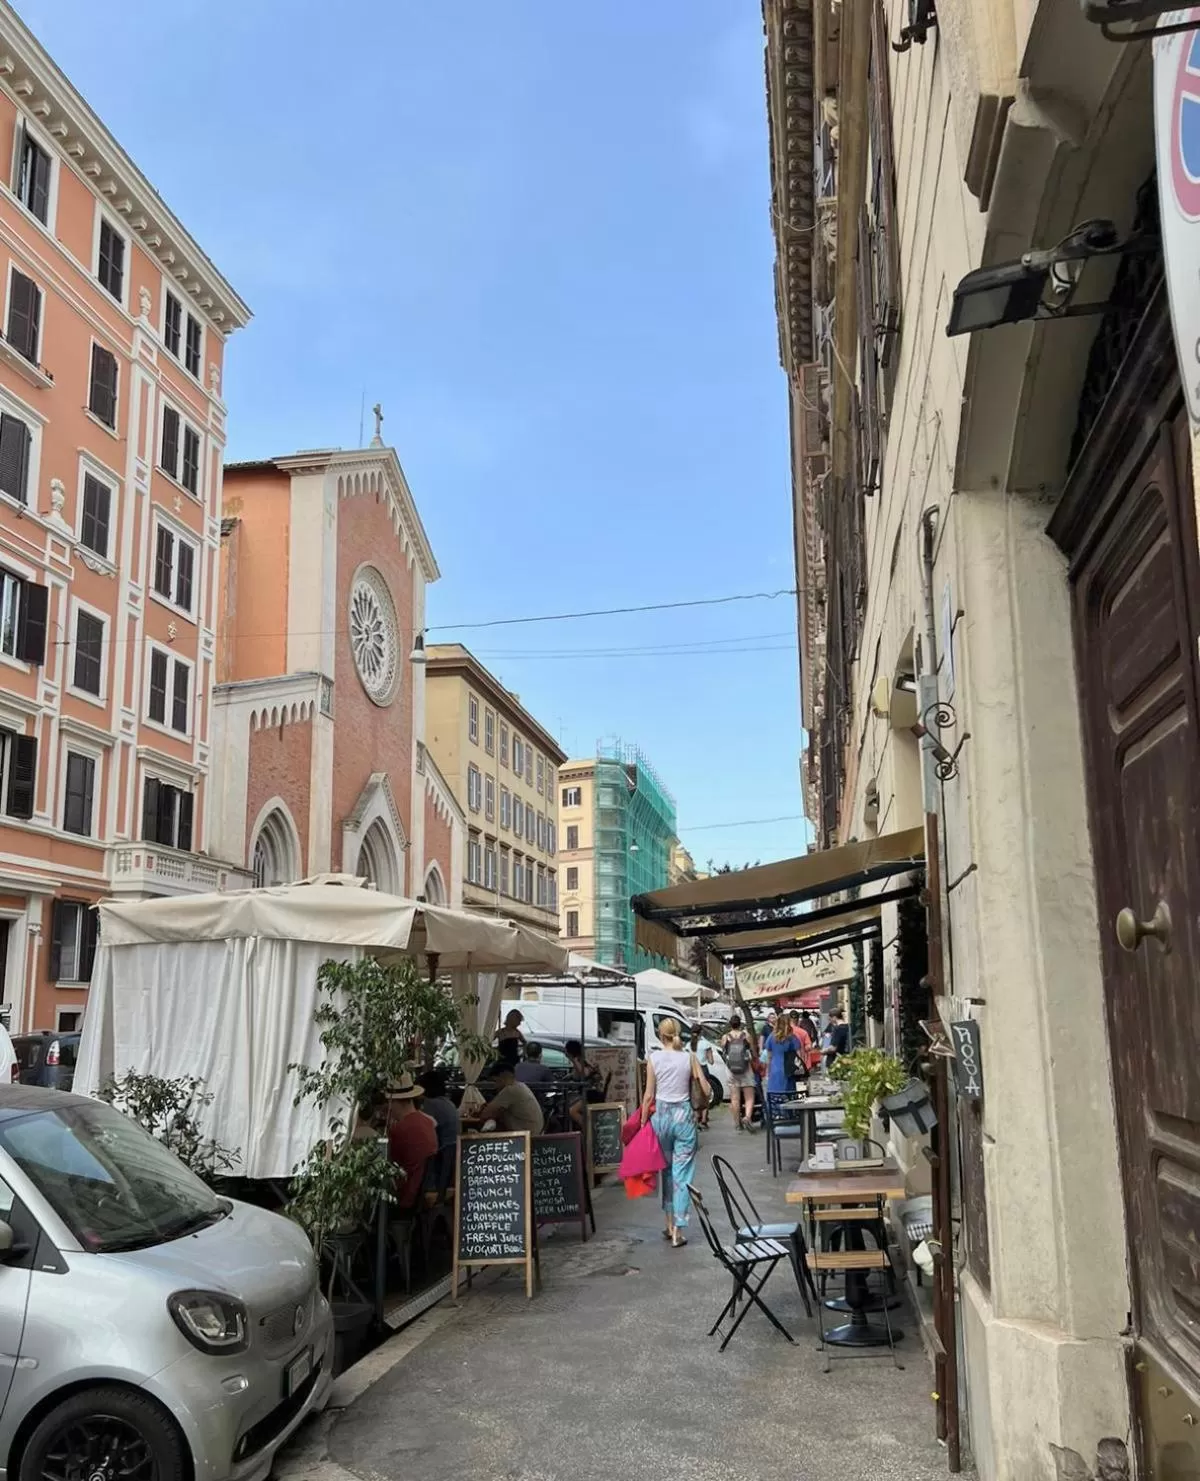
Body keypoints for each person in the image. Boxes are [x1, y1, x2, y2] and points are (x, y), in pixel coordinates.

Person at [638, 1017, 709, 1247]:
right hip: (684, 1118)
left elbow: (648, 1095)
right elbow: (706, 1090)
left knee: (667, 1172)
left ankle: (668, 1224)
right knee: (682, 1174)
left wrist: (641, 1123)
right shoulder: (689, 1057)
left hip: (661, 1118)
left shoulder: (653, 1058)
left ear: (660, 1034)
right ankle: (679, 1229)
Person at [385, 1072, 439, 1212]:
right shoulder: (428, 1122)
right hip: (423, 1190)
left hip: (407, 1194)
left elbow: (390, 1163)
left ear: (395, 1102)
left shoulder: (399, 1129)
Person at [475, 1060, 545, 1135]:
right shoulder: (521, 1086)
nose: (495, 1086)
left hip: (525, 1137)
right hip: (535, 1133)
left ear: (502, 1077)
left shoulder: (510, 1090)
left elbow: (485, 1115)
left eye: (495, 1081)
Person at [720, 1014, 757, 1132]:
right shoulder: (746, 1035)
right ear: (740, 1024)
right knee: (749, 1097)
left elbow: (724, 1052)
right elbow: (752, 1051)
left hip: (731, 1071)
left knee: (735, 1098)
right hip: (746, 1068)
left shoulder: (725, 1037)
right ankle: (747, 1117)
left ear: (730, 1024)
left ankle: (737, 1124)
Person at [417, 1067, 458, 1152]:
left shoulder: (430, 1104)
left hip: (441, 1153)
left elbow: (423, 1129)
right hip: (452, 1150)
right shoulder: (449, 1103)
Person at [565, 1038, 603, 1127]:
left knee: (572, 1111)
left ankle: (587, 1128)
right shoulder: (579, 1060)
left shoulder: (579, 1060)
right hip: (587, 1093)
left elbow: (584, 1073)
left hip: (591, 1094)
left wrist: (574, 1060)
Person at [763, 1015, 802, 1100]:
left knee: (775, 1094)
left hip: (774, 1068)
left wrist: (768, 1071)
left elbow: (769, 1057)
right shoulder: (792, 1038)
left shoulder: (771, 1037)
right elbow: (799, 1056)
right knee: (789, 1096)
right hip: (788, 1069)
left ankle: (776, 1112)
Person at [688, 1024, 713, 1129]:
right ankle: (703, 1119)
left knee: (694, 1093)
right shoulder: (705, 1044)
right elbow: (711, 1061)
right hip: (703, 1069)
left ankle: (696, 1117)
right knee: (705, 1094)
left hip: (692, 1070)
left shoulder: (688, 1045)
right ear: (701, 1032)